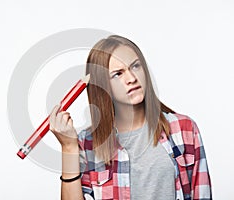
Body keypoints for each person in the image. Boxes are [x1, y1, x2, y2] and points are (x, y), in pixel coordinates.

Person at [49, 35, 212, 200]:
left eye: (135, 66)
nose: (132, 79)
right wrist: (69, 149)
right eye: (118, 74)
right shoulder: (87, 143)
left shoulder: (183, 129)